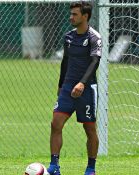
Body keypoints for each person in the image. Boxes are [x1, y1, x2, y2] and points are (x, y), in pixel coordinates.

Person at [47, 1, 102, 175]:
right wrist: (61, 84)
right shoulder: (68, 37)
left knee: (89, 128)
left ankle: (91, 168)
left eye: (75, 14)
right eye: (70, 14)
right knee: (56, 123)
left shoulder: (94, 37)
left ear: (85, 16)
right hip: (68, 88)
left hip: (86, 89)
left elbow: (95, 62)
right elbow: (65, 62)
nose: (71, 17)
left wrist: (82, 83)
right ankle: (54, 166)